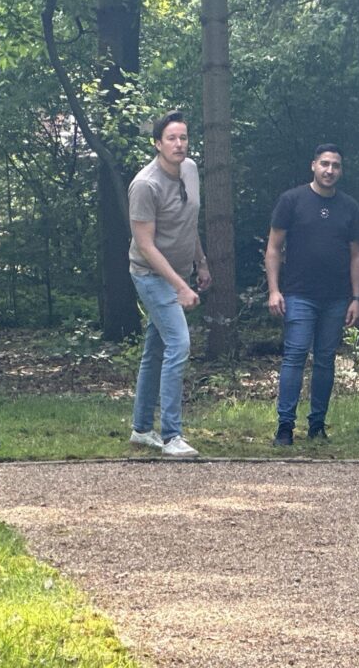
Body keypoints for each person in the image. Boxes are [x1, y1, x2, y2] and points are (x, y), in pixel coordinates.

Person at [265, 144, 359, 446]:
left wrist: (357, 298)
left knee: (325, 360)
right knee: (295, 356)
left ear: (341, 170)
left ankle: (317, 425)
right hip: (298, 294)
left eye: (335, 165)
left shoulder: (350, 207)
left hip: (336, 298)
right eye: (324, 164)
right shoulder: (292, 200)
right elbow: (273, 248)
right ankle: (285, 427)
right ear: (313, 165)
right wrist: (274, 290)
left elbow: (357, 255)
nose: (329, 170)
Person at [128, 110, 210, 458]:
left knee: (156, 349)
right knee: (179, 344)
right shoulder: (145, 185)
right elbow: (145, 245)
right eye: (172, 138)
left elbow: (189, 222)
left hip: (180, 271)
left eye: (184, 137)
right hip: (150, 275)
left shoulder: (190, 170)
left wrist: (201, 264)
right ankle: (172, 435)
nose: (179, 144)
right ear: (157, 144)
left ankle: (141, 429)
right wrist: (179, 286)